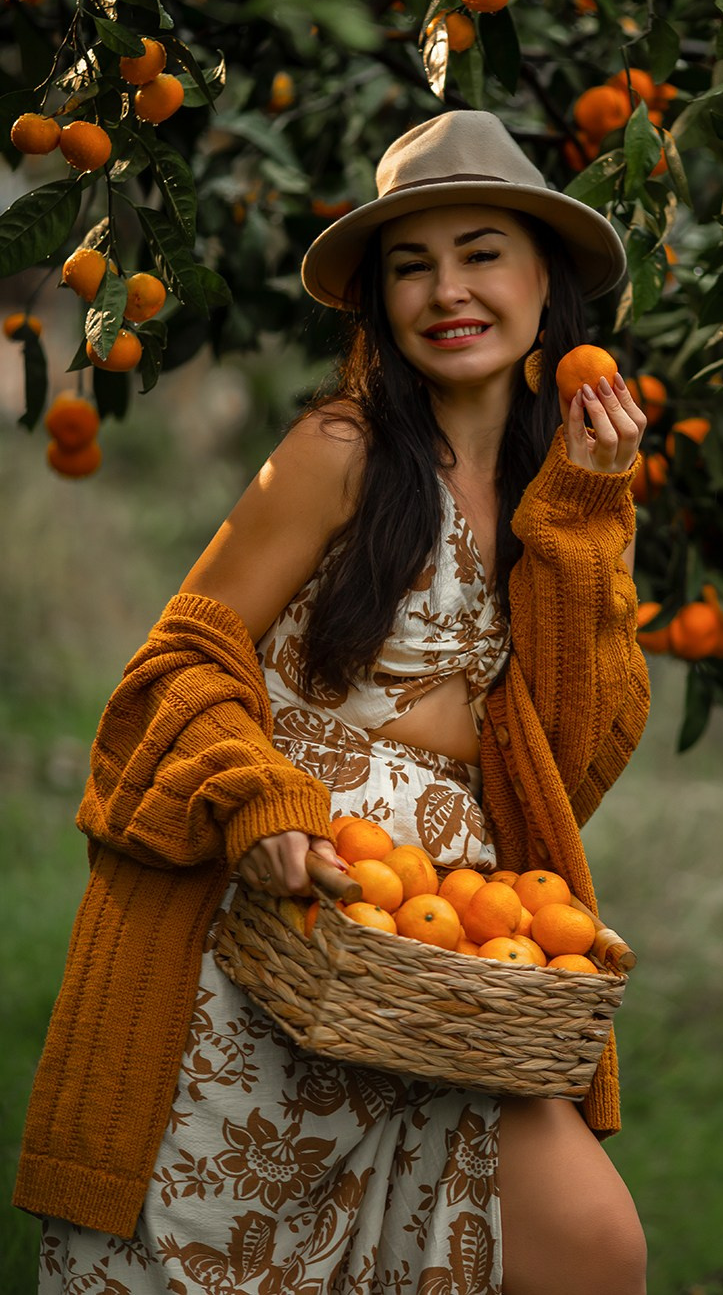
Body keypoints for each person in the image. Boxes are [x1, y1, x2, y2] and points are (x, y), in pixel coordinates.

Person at [16, 110, 651, 1295]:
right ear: (376, 301)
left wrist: (583, 520)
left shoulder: (562, 483)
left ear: (545, 283)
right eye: (411, 265)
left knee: (592, 1244)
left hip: (455, 954)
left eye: (480, 253)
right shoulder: (339, 448)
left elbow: (574, 761)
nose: (446, 290)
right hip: (278, 926)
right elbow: (179, 662)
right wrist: (262, 805)